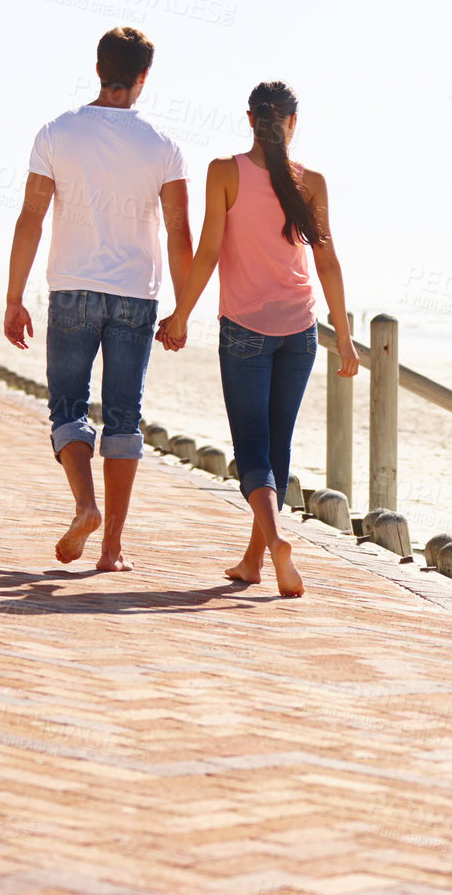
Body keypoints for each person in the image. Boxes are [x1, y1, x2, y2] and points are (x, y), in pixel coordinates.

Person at [4, 27, 192, 572]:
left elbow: (30, 218)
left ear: (96, 68)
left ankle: (84, 506)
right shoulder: (164, 146)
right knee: (124, 417)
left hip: (71, 289)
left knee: (67, 406)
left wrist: (15, 297)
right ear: (142, 77)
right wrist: (183, 310)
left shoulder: (56, 133)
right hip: (137, 294)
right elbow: (180, 233)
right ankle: (111, 549)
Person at [159, 81, 357, 597]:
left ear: (249, 119)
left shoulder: (225, 172)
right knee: (277, 446)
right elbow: (328, 262)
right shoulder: (311, 180)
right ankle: (254, 560)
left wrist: (180, 315)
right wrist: (348, 338)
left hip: (245, 329)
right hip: (301, 331)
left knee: (251, 448)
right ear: (293, 123)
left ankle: (274, 545)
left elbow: (207, 252)